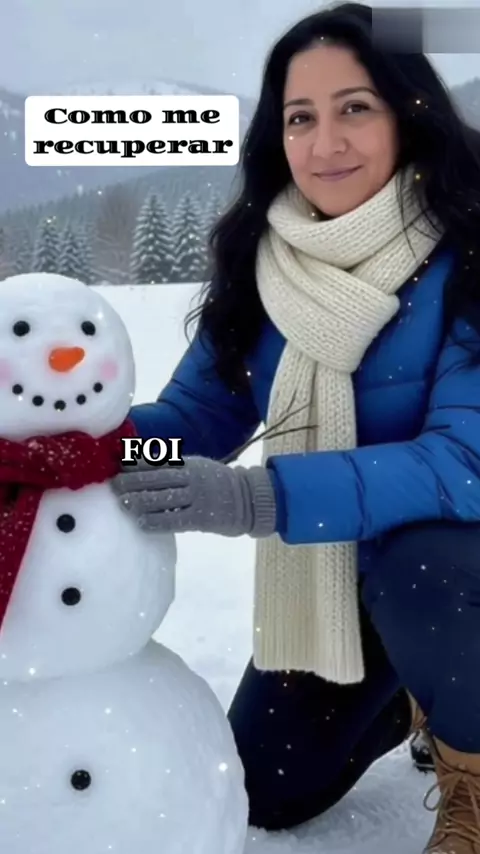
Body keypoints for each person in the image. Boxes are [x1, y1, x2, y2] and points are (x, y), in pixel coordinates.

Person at [112, 4, 480, 851]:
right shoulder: (266, 266)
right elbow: (192, 420)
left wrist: (255, 498)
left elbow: (464, 461)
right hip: (343, 577)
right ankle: (417, 691)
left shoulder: (470, 249)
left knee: (421, 570)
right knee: (266, 787)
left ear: (408, 111)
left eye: (355, 108)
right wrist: (83, 445)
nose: (325, 144)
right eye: (300, 118)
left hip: (454, 567)